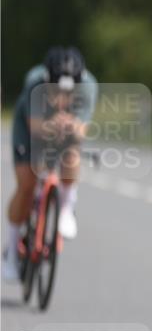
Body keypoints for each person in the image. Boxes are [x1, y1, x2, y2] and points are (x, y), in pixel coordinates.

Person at [2, 47, 97, 281]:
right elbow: (36, 130)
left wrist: (70, 127)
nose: (62, 98)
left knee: (72, 152)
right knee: (26, 184)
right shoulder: (34, 84)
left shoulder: (88, 87)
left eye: (68, 93)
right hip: (30, 130)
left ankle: (66, 206)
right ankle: (12, 252)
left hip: (63, 128)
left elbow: (81, 131)